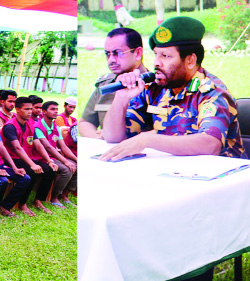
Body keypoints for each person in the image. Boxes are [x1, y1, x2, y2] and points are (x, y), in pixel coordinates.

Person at [101, 16, 246, 160]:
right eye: (156, 54)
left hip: (223, 175)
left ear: (190, 60)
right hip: (174, 171)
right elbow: (112, 137)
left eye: (165, 56)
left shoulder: (212, 92)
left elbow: (210, 145)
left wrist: (147, 140)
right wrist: (121, 99)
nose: (157, 63)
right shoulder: (155, 88)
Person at [80, 27, 148, 139]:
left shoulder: (155, 86)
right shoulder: (106, 85)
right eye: (107, 54)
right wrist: (100, 138)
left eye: (118, 53)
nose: (111, 60)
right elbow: (85, 122)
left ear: (137, 53)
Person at [2, 97, 57, 215]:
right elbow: (17, 148)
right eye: (26, 109)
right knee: (31, 172)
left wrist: (49, 160)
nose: (30, 112)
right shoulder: (10, 126)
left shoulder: (30, 125)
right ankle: (21, 203)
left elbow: (38, 144)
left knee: (50, 170)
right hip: (10, 159)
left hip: (25, 159)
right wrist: (32, 164)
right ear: (17, 110)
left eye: (31, 109)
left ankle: (38, 200)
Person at [35, 101, 77, 208]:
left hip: (53, 157)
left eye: (56, 109)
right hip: (41, 158)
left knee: (77, 166)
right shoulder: (38, 126)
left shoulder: (55, 127)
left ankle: (65, 194)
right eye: (52, 109)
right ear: (44, 112)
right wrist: (65, 161)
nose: (56, 112)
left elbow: (63, 147)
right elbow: (48, 147)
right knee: (66, 169)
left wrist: (76, 159)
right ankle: (54, 197)